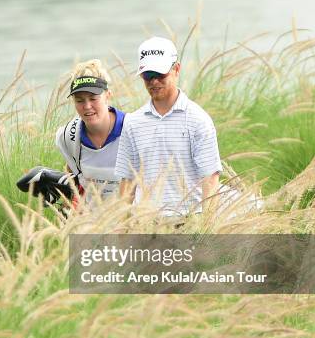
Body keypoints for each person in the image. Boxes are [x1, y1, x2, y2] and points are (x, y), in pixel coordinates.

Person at [114, 37, 222, 216]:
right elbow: (127, 180)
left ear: (176, 69)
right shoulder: (132, 122)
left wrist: (206, 231)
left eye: (160, 74)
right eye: (148, 76)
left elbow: (210, 180)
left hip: (189, 222)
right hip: (145, 224)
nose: (154, 81)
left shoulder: (198, 120)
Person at [55, 59, 126, 205]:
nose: (87, 106)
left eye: (93, 98)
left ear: (108, 95)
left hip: (136, 223)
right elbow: (75, 181)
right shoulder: (68, 137)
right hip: (91, 225)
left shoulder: (132, 130)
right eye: (80, 100)